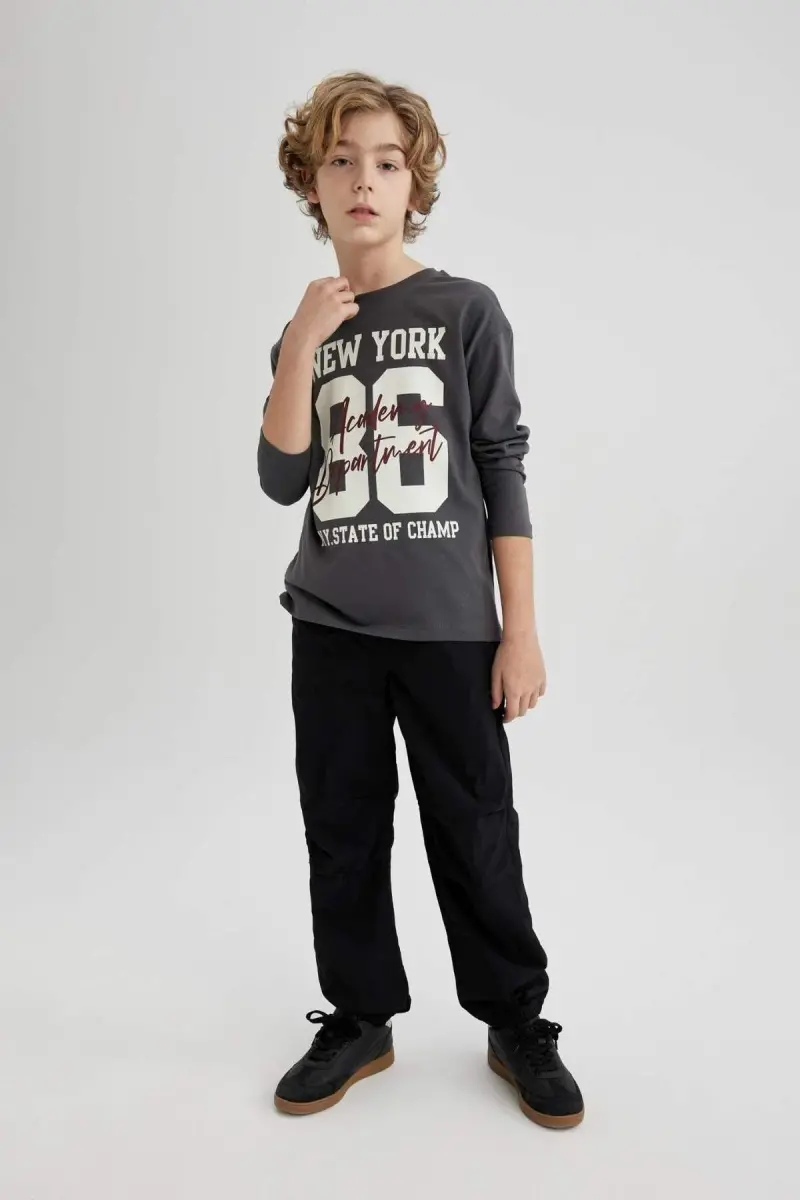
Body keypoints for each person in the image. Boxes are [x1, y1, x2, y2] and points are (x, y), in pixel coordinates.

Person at [257, 70, 584, 1129]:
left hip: (449, 630)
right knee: (341, 827)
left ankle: (515, 1020)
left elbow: (501, 467)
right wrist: (300, 344)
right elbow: (279, 479)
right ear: (312, 184)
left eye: (387, 162)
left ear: (414, 185)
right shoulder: (305, 330)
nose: (364, 179)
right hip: (330, 629)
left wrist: (519, 631)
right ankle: (361, 1017)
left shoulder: (463, 310)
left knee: (474, 828)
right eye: (342, 160)